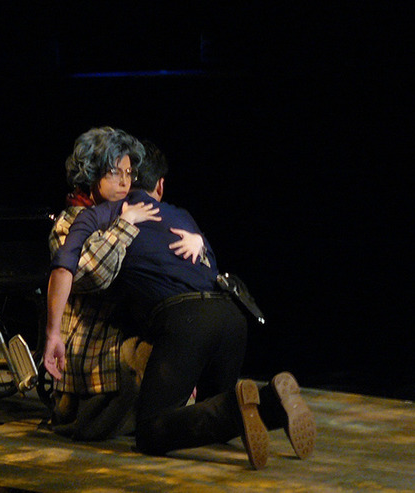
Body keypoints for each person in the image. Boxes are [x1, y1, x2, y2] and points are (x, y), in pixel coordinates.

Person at [46, 141, 316, 469]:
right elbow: (210, 266)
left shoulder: (108, 215)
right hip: (231, 317)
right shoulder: (181, 215)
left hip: (185, 321)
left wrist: (52, 331)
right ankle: (273, 404)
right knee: (209, 415)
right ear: (159, 185)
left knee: (151, 432)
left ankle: (240, 408)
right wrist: (199, 241)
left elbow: (79, 269)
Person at [46, 127, 203, 439]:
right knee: (155, 421)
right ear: (91, 173)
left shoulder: (129, 213)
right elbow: (93, 275)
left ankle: (235, 408)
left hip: (123, 349)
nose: (124, 182)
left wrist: (197, 242)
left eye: (129, 173)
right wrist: (124, 225)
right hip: (93, 361)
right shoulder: (70, 222)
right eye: (114, 172)